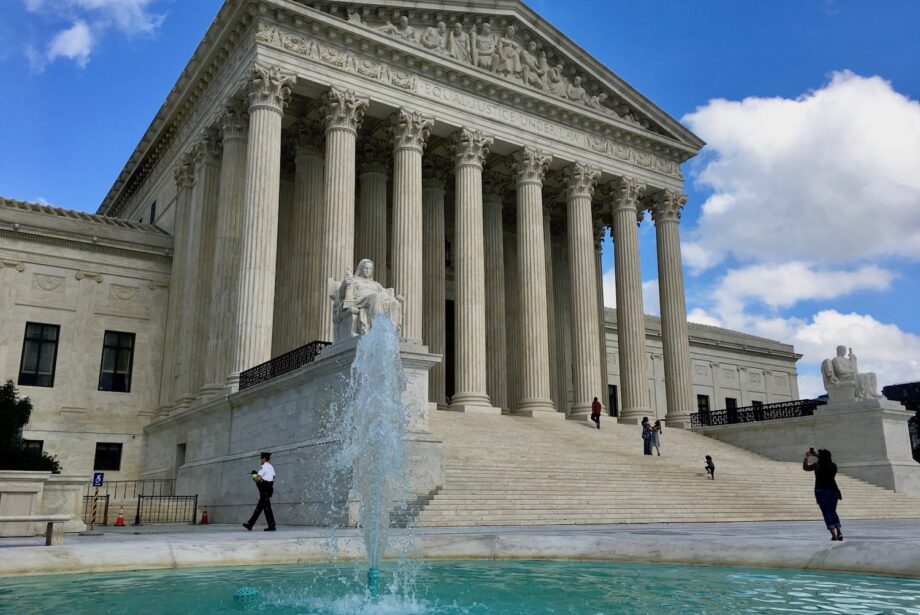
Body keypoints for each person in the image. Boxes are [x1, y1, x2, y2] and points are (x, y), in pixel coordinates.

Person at [803, 448, 843, 540]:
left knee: (827, 512)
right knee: (833, 511)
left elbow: (805, 467)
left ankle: (833, 535)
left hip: (822, 491)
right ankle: (839, 532)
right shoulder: (834, 466)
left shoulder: (817, 465)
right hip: (834, 491)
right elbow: (825, 460)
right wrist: (817, 455)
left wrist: (807, 457)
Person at [243, 452, 276, 532]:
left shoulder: (263, 466)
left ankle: (250, 524)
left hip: (264, 489)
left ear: (264, 458)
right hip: (269, 488)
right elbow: (274, 476)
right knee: (266, 508)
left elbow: (258, 478)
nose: (260, 460)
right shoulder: (271, 466)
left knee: (260, 508)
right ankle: (271, 525)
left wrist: (254, 476)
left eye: (261, 458)